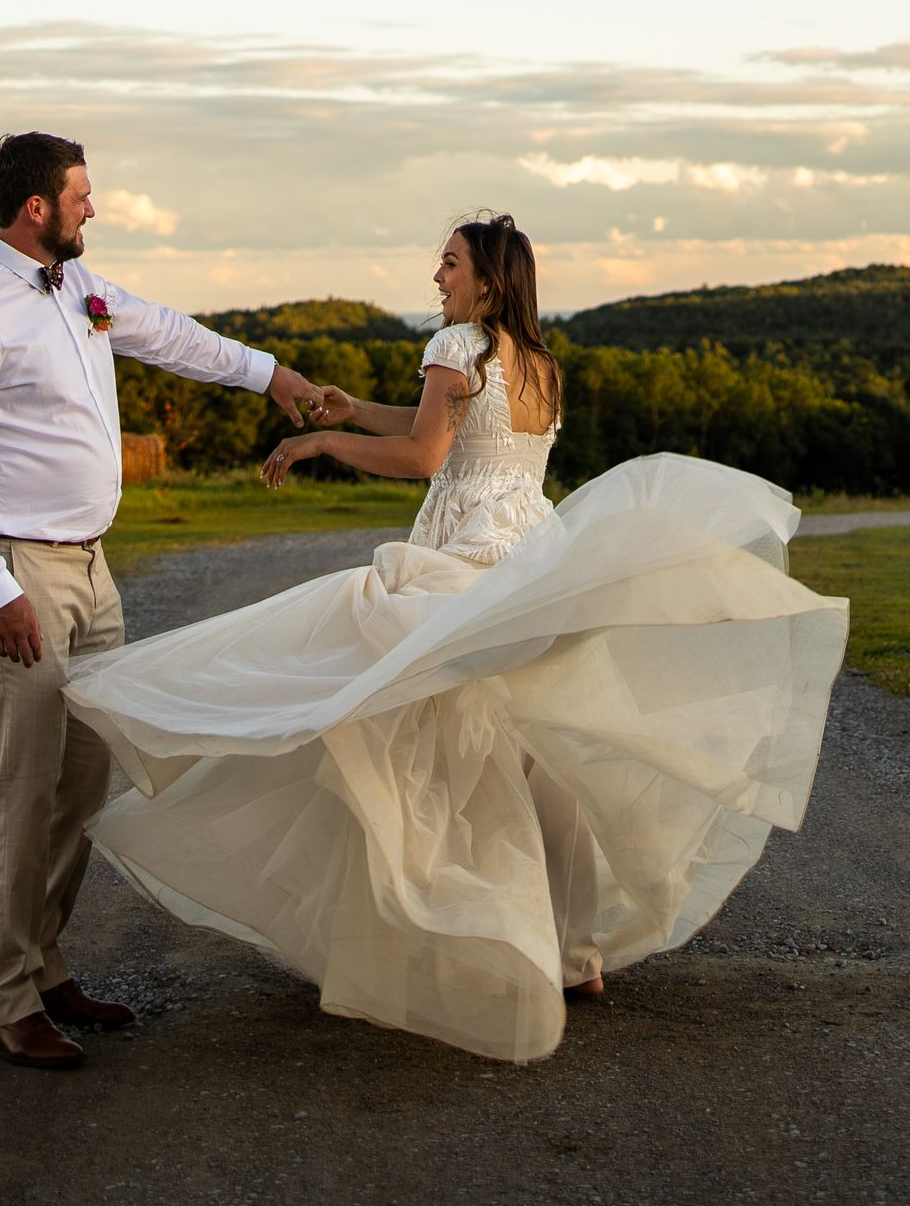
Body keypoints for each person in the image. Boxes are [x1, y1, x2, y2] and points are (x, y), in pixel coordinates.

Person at [62, 213, 850, 1063]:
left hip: (463, 564)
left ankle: (446, 936)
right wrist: (356, 405)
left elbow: (427, 455)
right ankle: (575, 953)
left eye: (449, 263)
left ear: (485, 280)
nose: (437, 277)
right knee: (539, 755)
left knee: (410, 741)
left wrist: (325, 437)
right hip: (537, 567)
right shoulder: (537, 362)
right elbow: (451, 424)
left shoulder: (456, 343)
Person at [0, 131, 325, 1071]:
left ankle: (45, 958)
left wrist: (275, 376)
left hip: (92, 572)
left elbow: (175, 336)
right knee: (20, 791)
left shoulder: (82, 293)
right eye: (82, 195)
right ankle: (5, 996)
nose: (93, 208)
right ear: (37, 209)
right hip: (16, 573)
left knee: (83, 781)